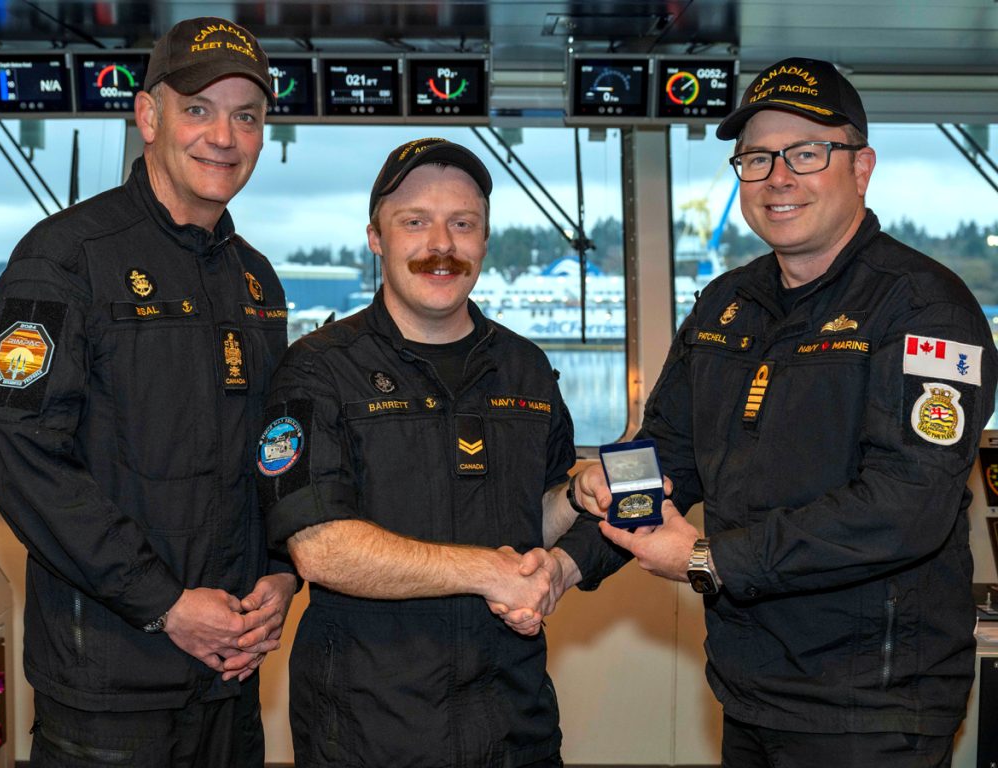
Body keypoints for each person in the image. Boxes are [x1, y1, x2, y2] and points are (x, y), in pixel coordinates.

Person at [577, 57, 998, 767]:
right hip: (750, 685)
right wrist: (581, 532)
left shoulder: (927, 309)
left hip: (872, 703)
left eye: (806, 152)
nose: (779, 177)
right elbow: (669, 452)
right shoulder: (725, 305)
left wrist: (710, 558)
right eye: (757, 157)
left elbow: (907, 502)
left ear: (860, 168)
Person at [0, 17, 296, 767]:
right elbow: (24, 459)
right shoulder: (64, 259)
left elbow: (278, 452)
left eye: (246, 116)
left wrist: (283, 572)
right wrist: (166, 605)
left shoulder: (258, 282)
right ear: (147, 115)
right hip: (108, 689)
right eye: (198, 109)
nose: (224, 135)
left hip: (230, 674)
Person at [258, 137, 618, 767]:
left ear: (483, 240)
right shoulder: (318, 370)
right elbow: (319, 547)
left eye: (462, 224)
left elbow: (530, 520)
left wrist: (576, 493)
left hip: (514, 723)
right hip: (368, 732)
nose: (441, 246)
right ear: (376, 238)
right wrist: (488, 571)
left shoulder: (525, 369)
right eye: (415, 222)